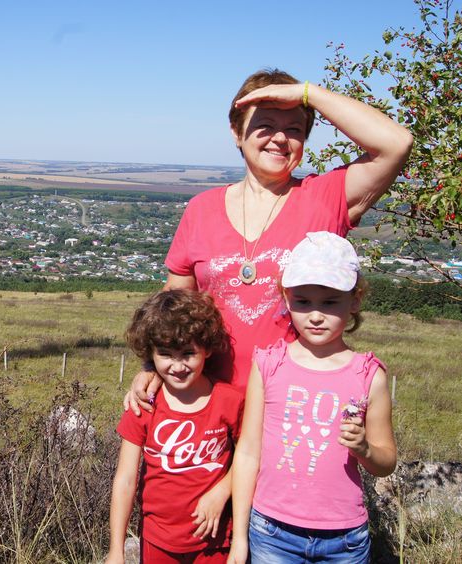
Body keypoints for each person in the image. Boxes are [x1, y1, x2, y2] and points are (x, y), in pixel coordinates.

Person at [125, 68, 412, 412]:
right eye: (266, 126)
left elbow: (396, 144)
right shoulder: (201, 209)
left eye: (294, 129)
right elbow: (172, 309)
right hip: (208, 405)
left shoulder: (325, 197)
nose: (280, 138)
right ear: (236, 132)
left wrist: (309, 94)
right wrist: (150, 368)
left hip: (294, 405)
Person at [227, 231, 396, 563]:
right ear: (287, 299)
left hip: (344, 539)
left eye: (330, 302)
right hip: (272, 532)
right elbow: (247, 454)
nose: (315, 315)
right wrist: (239, 539)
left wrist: (364, 449)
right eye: (303, 301)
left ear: (355, 300)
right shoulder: (270, 364)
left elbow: (386, 462)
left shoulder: (369, 375)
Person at [107, 289, 244, 564]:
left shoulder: (230, 401)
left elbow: (251, 457)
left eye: (188, 353)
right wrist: (116, 550)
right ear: (150, 354)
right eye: (166, 354)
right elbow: (125, 480)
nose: (178, 366)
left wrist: (223, 489)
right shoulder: (143, 406)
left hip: (214, 541)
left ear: (206, 347)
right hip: (158, 541)